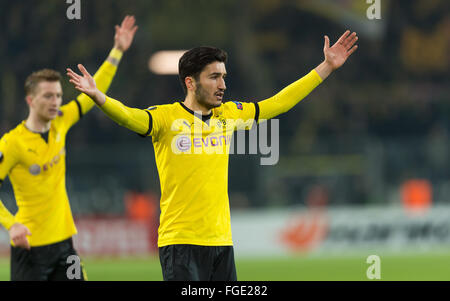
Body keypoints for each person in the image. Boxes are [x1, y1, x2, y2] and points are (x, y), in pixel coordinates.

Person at [66, 30, 358, 281]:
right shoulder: (165, 119)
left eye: (224, 77)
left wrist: (326, 67)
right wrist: (99, 97)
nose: (223, 85)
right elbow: (129, 117)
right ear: (190, 82)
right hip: (180, 243)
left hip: (221, 242)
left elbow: (279, 103)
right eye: (214, 77)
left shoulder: (228, 115)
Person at [0, 15, 138, 281]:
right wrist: (11, 224)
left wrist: (117, 51)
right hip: (29, 247)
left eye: (59, 96)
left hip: (64, 244)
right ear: (30, 100)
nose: (55, 102)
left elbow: (92, 95)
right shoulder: (12, 142)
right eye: (48, 96)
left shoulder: (61, 121)